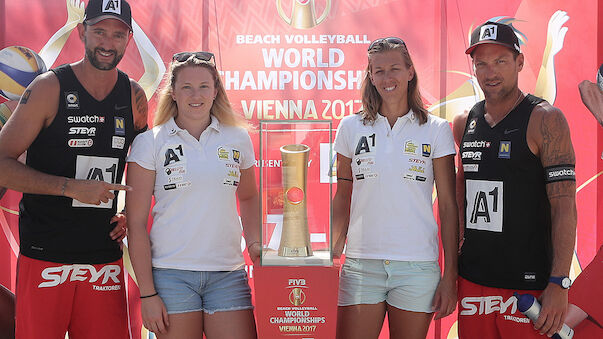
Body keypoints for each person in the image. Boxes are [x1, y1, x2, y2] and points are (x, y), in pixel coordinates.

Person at [0, 0, 148, 337]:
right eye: (99, 32)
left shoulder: (134, 97)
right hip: (45, 255)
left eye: (117, 34)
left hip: (103, 258)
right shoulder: (49, 87)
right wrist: (70, 187)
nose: (108, 43)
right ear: (81, 32)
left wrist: (129, 214)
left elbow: (142, 170)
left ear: (128, 39)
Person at [453, 21, 577, 338]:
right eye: (481, 63)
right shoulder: (463, 122)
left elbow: (564, 206)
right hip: (473, 281)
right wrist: (450, 272)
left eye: (501, 61)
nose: (490, 72)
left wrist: (559, 282)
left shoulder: (545, 119)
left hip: (528, 287)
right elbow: (458, 200)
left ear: (520, 62)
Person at [125, 51, 260, 338]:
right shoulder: (149, 143)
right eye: (186, 87)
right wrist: (147, 294)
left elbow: (248, 197)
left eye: (203, 86)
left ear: (215, 91)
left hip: (227, 274)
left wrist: (256, 246)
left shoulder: (237, 138)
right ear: (172, 92)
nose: (195, 95)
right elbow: (135, 223)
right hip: (171, 276)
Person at [332, 37, 458, 339]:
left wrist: (450, 274)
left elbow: (449, 205)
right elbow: (343, 193)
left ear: (410, 71)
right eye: (378, 71)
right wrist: (334, 249)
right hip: (362, 264)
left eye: (394, 69)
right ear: (370, 76)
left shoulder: (436, 129)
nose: (387, 78)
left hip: (416, 267)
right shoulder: (350, 127)